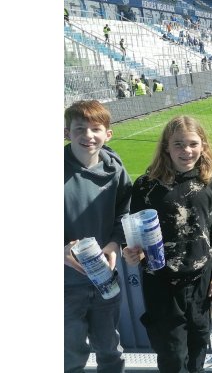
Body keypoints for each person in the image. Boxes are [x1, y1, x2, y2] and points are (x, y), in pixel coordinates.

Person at [123, 116, 212, 373]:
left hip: (201, 283)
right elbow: (134, 236)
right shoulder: (146, 186)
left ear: (203, 146)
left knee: (198, 350)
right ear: (166, 147)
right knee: (172, 356)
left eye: (193, 143)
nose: (186, 151)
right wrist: (131, 253)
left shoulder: (211, 182)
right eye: (179, 144)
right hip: (161, 284)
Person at [64, 100, 131, 373]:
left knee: (110, 350)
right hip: (65, 286)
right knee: (70, 355)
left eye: (95, 129)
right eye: (80, 129)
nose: (88, 136)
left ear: (108, 134)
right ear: (66, 132)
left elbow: (124, 215)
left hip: (104, 280)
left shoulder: (116, 171)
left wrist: (115, 244)